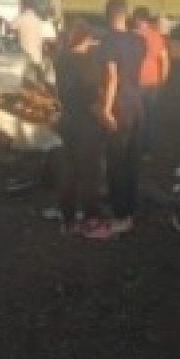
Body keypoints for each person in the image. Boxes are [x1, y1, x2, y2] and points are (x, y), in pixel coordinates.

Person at [84, 0, 145, 241]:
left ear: (107, 15)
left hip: (118, 106)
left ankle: (121, 218)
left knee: (116, 163)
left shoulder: (108, 43)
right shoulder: (139, 41)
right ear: (126, 14)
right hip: (137, 105)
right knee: (130, 161)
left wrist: (106, 109)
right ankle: (129, 209)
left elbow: (112, 77)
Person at [51, 20, 107, 229]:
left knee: (68, 170)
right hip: (87, 122)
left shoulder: (60, 60)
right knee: (90, 171)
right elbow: (92, 95)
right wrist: (104, 116)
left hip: (66, 119)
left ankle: (68, 216)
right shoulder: (89, 62)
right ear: (85, 39)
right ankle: (90, 214)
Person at [130, 6, 171, 155]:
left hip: (136, 82)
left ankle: (133, 146)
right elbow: (165, 59)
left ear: (138, 19)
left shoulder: (132, 36)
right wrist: (164, 78)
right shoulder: (157, 36)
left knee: (134, 115)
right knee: (149, 116)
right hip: (153, 81)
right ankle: (146, 149)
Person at [12, 0, 51, 69]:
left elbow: (10, 31)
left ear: (23, 6)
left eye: (19, 5)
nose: (19, 8)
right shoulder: (38, 19)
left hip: (24, 59)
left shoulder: (20, 18)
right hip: (37, 58)